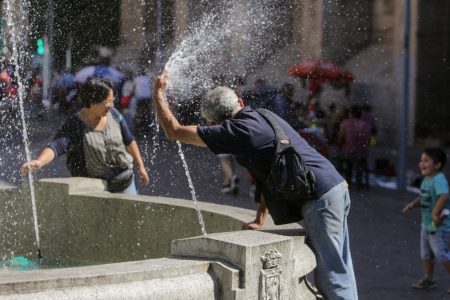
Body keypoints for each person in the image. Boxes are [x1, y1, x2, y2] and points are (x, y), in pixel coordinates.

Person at [152, 71, 357, 300]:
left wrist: (158, 93)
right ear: (240, 102)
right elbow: (269, 174)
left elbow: (174, 131)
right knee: (341, 266)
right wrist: (260, 218)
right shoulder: (263, 115)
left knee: (333, 276)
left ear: (213, 123)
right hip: (333, 186)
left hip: (319, 198)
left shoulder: (237, 133)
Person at [20, 77, 150, 194]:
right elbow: (56, 147)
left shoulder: (114, 115)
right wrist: (39, 162)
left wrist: (141, 166)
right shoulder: (75, 123)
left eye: (112, 101)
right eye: (107, 102)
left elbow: (129, 140)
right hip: (95, 188)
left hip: (125, 182)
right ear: (93, 102)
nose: (112, 106)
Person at [402, 147, 450, 291]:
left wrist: (435, 213)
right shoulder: (427, 179)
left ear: (437, 165)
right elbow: (424, 197)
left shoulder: (439, 179)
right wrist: (413, 205)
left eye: (425, 161)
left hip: (439, 227)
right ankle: (428, 279)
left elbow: (444, 195)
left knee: (441, 255)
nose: (421, 164)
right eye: (421, 161)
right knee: (426, 255)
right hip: (427, 226)